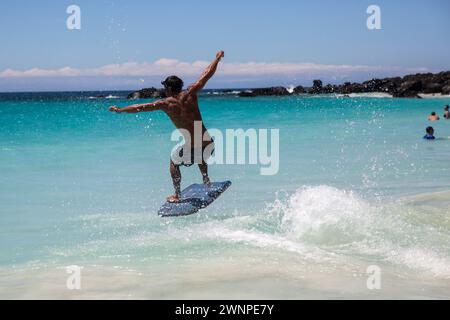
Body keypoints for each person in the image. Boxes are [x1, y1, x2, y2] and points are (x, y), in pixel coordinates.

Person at [109, 51, 225, 202]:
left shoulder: (165, 104)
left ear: (169, 89)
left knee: (174, 161)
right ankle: (206, 180)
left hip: (194, 146)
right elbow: (206, 74)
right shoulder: (191, 93)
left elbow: (140, 107)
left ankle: (177, 195)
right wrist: (217, 58)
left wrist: (120, 110)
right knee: (199, 153)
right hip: (209, 143)